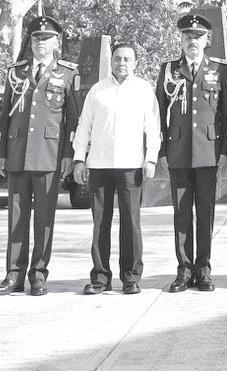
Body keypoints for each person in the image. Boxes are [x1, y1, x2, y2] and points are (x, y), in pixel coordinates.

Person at [0, 14, 84, 296]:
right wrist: (0, 151)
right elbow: (5, 116)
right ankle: (14, 274)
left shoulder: (68, 73)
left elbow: (72, 119)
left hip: (49, 155)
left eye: (46, 38)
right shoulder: (15, 72)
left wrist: (69, 154)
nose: (40, 42)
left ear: (57, 42)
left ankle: (39, 273)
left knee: (44, 217)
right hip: (17, 153)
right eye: (35, 38)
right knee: (16, 217)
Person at [72, 42, 161, 296]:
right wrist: (79, 159)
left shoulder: (144, 90)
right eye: (118, 58)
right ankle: (100, 277)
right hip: (99, 165)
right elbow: (84, 127)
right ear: (111, 61)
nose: (122, 63)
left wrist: (151, 159)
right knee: (100, 223)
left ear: (135, 63)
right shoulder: (97, 90)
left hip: (131, 165)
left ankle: (131, 277)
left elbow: (153, 128)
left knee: (131, 222)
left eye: (127, 59)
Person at [157, 11, 227, 293]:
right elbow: (157, 114)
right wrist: (161, 152)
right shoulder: (169, 70)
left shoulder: (219, 69)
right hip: (177, 152)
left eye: (198, 36)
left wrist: (225, 150)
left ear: (207, 39)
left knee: (205, 212)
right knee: (181, 213)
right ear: (181, 39)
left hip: (209, 152)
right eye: (188, 35)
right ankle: (184, 269)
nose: (193, 40)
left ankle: (203, 269)